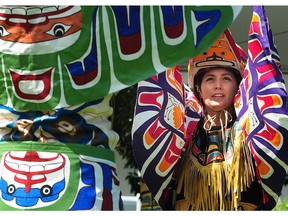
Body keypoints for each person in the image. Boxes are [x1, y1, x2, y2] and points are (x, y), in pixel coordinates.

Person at [132, 6, 288, 211]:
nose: (217, 85)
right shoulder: (182, 135)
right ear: (198, 87)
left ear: (238, 86)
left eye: (226, 78)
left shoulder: (252, 134)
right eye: (210, 79)